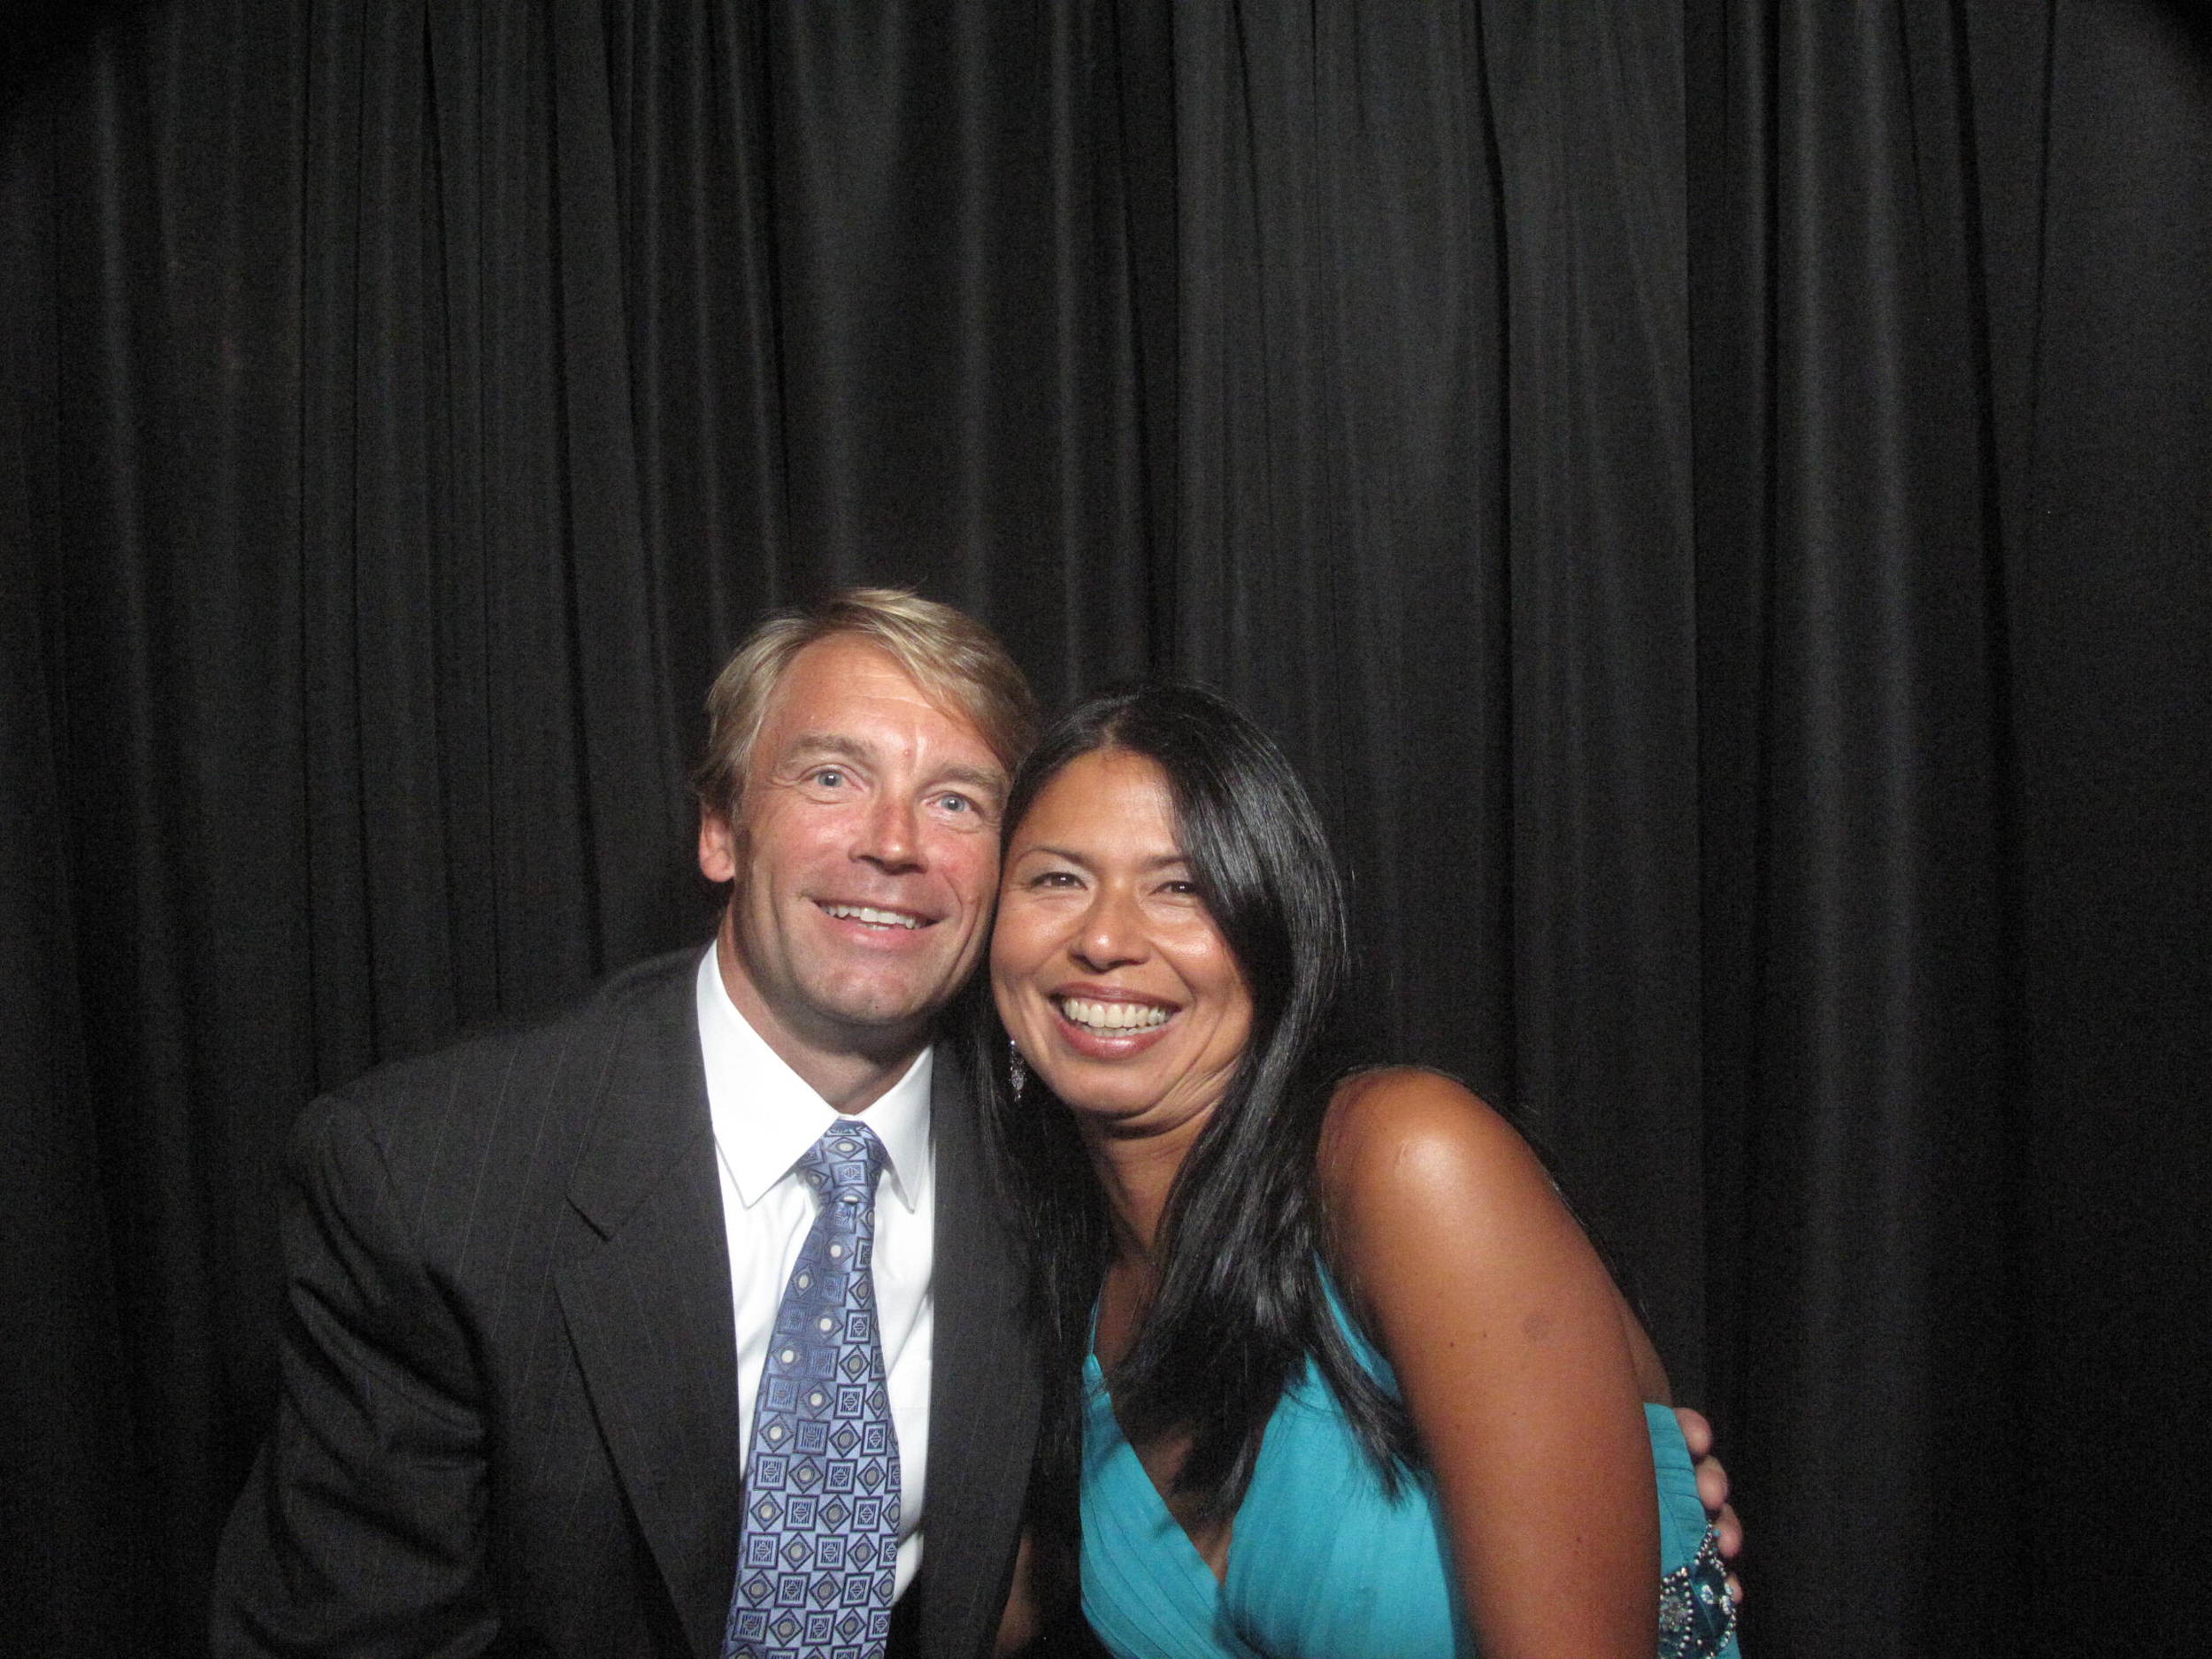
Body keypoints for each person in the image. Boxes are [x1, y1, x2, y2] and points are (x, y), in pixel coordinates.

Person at [211, 589, 1735, 1659]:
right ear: (719, 826)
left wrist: (1649, 1521)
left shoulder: (1336, 1163)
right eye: (831, 776)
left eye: (957, 802)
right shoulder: (428, 1177)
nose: (893, 842)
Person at [978, 682, 1740, 1659]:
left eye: (1182, 887)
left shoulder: (1404, 1163)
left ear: (1273, 929)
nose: (1106, 939)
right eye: (1055, 880)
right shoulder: (1061, 1283)